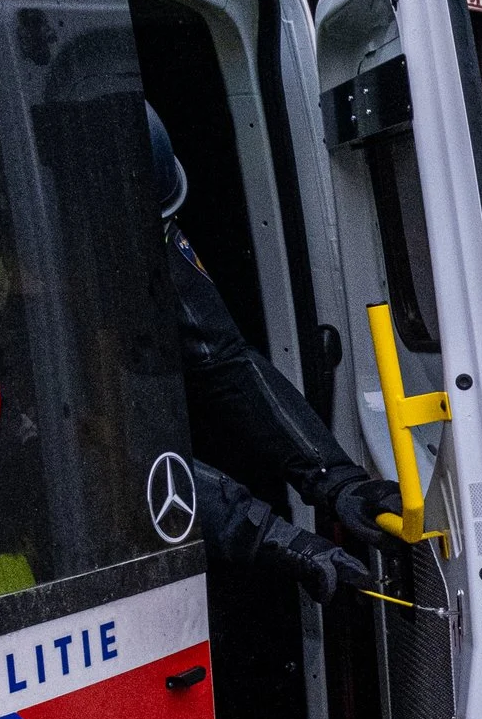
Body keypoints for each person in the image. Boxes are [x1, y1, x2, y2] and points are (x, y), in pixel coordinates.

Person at [146, 106, 396, 602]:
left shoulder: (149, 228)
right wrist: (267, 533)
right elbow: (101, 450)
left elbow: (221, 358)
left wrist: (334, 478)